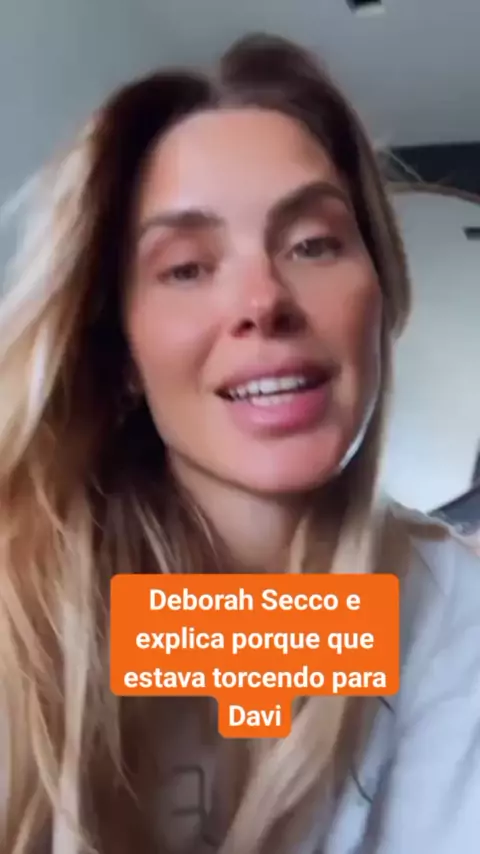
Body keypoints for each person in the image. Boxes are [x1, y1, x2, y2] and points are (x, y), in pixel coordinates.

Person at [0, 31, 479, 854]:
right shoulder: (24, 608)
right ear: (120, 353)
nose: (264, 301)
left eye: (313, 243)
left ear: (381, 295)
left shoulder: (449, 609)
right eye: (187, 266)